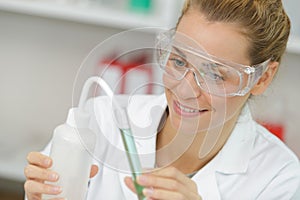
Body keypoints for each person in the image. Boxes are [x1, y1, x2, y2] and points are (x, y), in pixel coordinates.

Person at [24, 0, 300, 199]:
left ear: (261, 79)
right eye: (179, 61)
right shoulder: (102, 120)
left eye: (216, 75)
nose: (186, 90)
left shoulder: (278, 177)